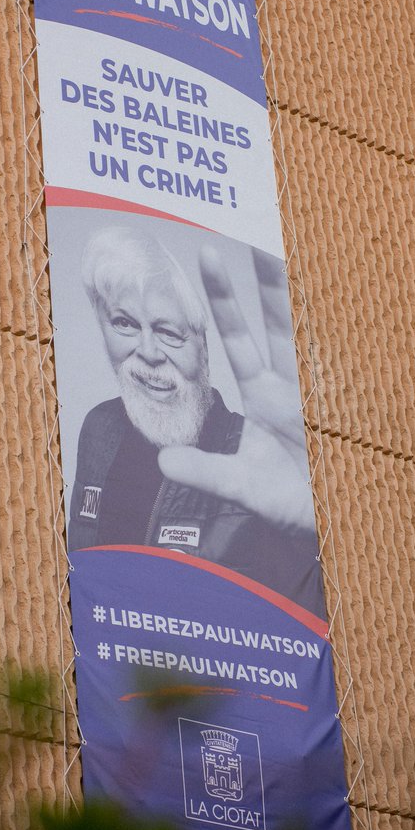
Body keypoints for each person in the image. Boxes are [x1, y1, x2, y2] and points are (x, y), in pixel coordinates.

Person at [67, 226, 322, 604]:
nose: (149, 351)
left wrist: (306, 527)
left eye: (169, 332)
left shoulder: (260, 461)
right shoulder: (99, 428)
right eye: (125, 324)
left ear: (203, 347)